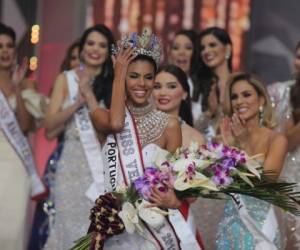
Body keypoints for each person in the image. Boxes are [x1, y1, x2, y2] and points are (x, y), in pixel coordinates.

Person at [79, 30, 203, 249]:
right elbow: (117, 124)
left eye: (149, 77)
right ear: (122, 77)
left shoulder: (170, 125)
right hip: (113, 225)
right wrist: (119, 73)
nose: (142, 84)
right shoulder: (101, 116)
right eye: (133, 76)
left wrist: (173, 200)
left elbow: (173, 180)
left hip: (152, 229)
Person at [43, 24, 115, 249]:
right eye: (90, 43)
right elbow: (49, 128)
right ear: (82, 48)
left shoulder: (114, 84)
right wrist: (77, 103)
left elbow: (113, 129)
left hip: (103, 166)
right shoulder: (66, 79)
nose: (95, 49)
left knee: (98, 230)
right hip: (70, 167)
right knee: (68, 227)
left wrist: (91, 94)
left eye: (102, 45)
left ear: (109, 51)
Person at [216, 72, 287, 249]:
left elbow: (266, 183)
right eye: (234, 97)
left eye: (246, 95)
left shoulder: (276, 140)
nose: (239, 101)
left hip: (262, 229)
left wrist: (243, 144)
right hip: (230, 226)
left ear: (261, 100)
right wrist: (229, 148)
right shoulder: (223, 139)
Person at [29, 40, 81, 250]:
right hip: (64, 160)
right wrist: (76, 106)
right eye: (74, 57)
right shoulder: (63, 86)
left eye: (82, 57)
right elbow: (49, 131)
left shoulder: (102, 86)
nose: (78, 62)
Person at [0, 22, 45, 250]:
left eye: (9, 46)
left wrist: (17, 90)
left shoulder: (26, 83)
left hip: (17, 165)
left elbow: (26, 126)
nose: (5, 51)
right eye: (0, 46)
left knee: (12, 229)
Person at [153, 64, 205, 147]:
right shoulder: (139, 131)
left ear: (184, 94)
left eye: (171, 87)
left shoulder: (195, 138)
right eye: (157, 87)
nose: (162, 93)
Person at [196, 27, 233, 141]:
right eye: (202, 48)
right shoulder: (198, 87)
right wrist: (210, 113)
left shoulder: (240, 84)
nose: (206, 51)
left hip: (236, 152)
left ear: (227, 49)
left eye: (212, 45)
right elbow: (191, 130)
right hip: (203, 150)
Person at [167, 30, 204, 127]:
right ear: (169, 53)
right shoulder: (156, 82)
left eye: (188, 48)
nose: (181, 52)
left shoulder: (205, 88)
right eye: (176, 48)